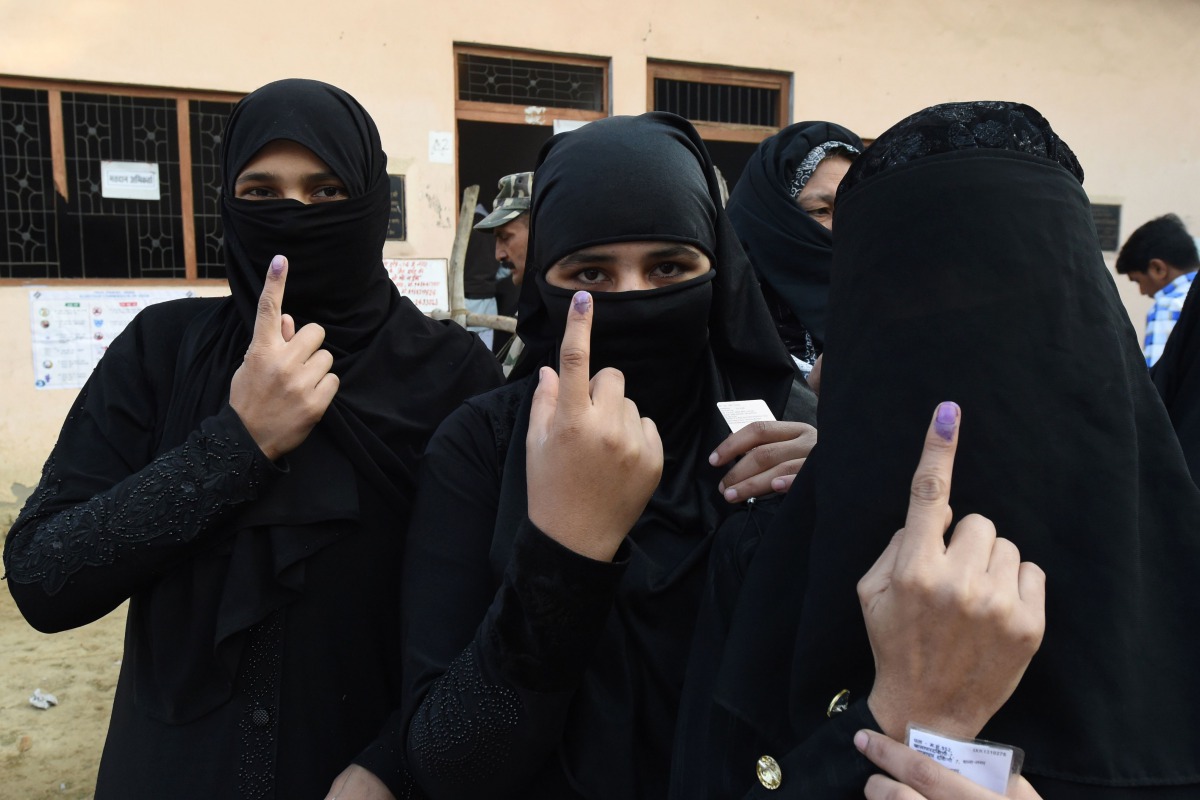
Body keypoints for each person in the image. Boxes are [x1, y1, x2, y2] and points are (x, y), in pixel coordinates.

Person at [676, 100, 1200, 799]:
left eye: (1021, 318)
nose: (981, 366)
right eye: (920, 329)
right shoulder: (768, 556)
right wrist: (892, 718)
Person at [2, 79, 502, 799]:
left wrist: (392, 762)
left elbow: (488, 616)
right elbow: (44, 578)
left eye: (326, 191)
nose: (293, 215)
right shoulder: (160, 353)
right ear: (227, 204)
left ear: (369, 203)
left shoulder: (453, 374)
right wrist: (235, 446)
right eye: (262, 192)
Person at [725, 121, 863, 383]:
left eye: (854, 210)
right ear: (774, 218)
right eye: (820, 211)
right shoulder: (727, 316)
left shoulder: (886, 299)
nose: (843, 229)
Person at [1115, 213, 1200, 366]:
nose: (1142, 291)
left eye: (1137, 281)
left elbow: (1157, 383)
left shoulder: (1168, 306)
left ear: (1158, 268)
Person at [474, 172, 533, 372]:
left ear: (540, 229)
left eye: (506, 237)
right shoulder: (533, 310)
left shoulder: (567, 313)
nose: (498, 255)